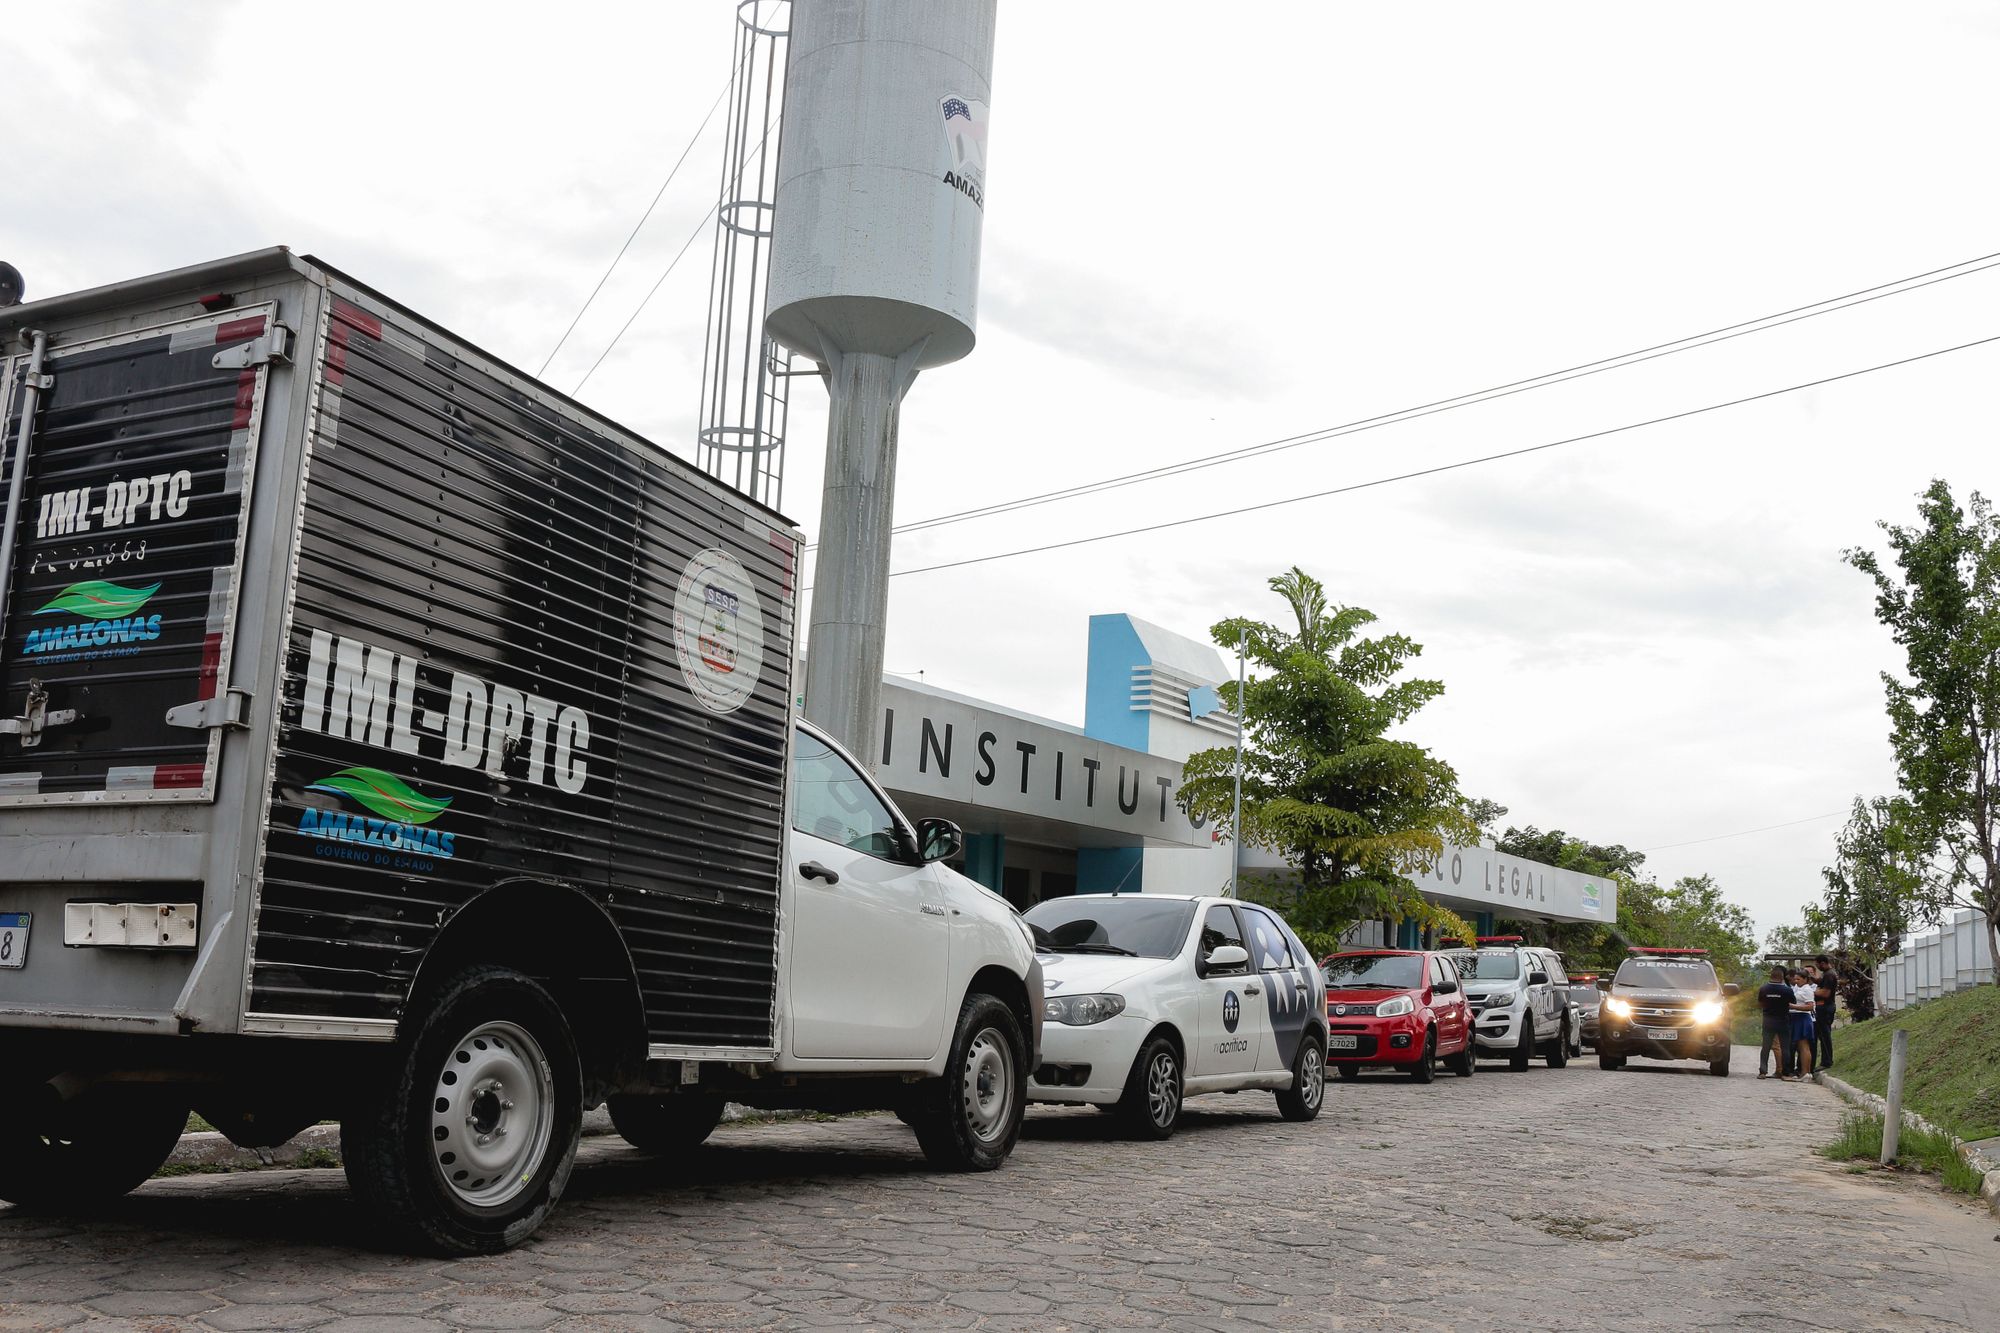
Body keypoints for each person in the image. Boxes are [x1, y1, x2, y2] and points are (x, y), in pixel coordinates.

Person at [1757, 964, 1795, 1079]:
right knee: (1785, 1047)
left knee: (1766, 1047)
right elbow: (1792, 1002)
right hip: (1783, 1021)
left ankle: (1763, 1071)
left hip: (1768, 1021)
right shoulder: (1787, 990)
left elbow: (1760, 1003)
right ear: (1782, 977)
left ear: (1771, 976)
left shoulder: (1764, 989)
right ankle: (1785, 1073)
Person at [1788, 968, 1817, 1079]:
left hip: (1802, 1018)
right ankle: (1802, 1072)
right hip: (1795, 1017)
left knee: (1804, 1046)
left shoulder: (1807, 990)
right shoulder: (1797, 988)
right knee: (1800, 1047)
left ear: (1805, 979)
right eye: (1795, 979)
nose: (1796, 981)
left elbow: (1810, 1006)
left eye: (1798, 979)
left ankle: (1806, 1072)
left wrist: (1793, 1006)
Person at [1814, 954, 1839, 1070]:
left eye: (1817, 965)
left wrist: (1811, 992)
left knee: (1824, 1036)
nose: (1817, 967)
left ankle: (1826, 1061)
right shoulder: (1827, 974)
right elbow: (1820, 982)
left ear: (1822, 963)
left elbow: (1825, 993)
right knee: (1823, 1035)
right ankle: (1826, 1060)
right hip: (1824, 1007)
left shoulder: (1829, 975)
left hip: (1825, 1007)